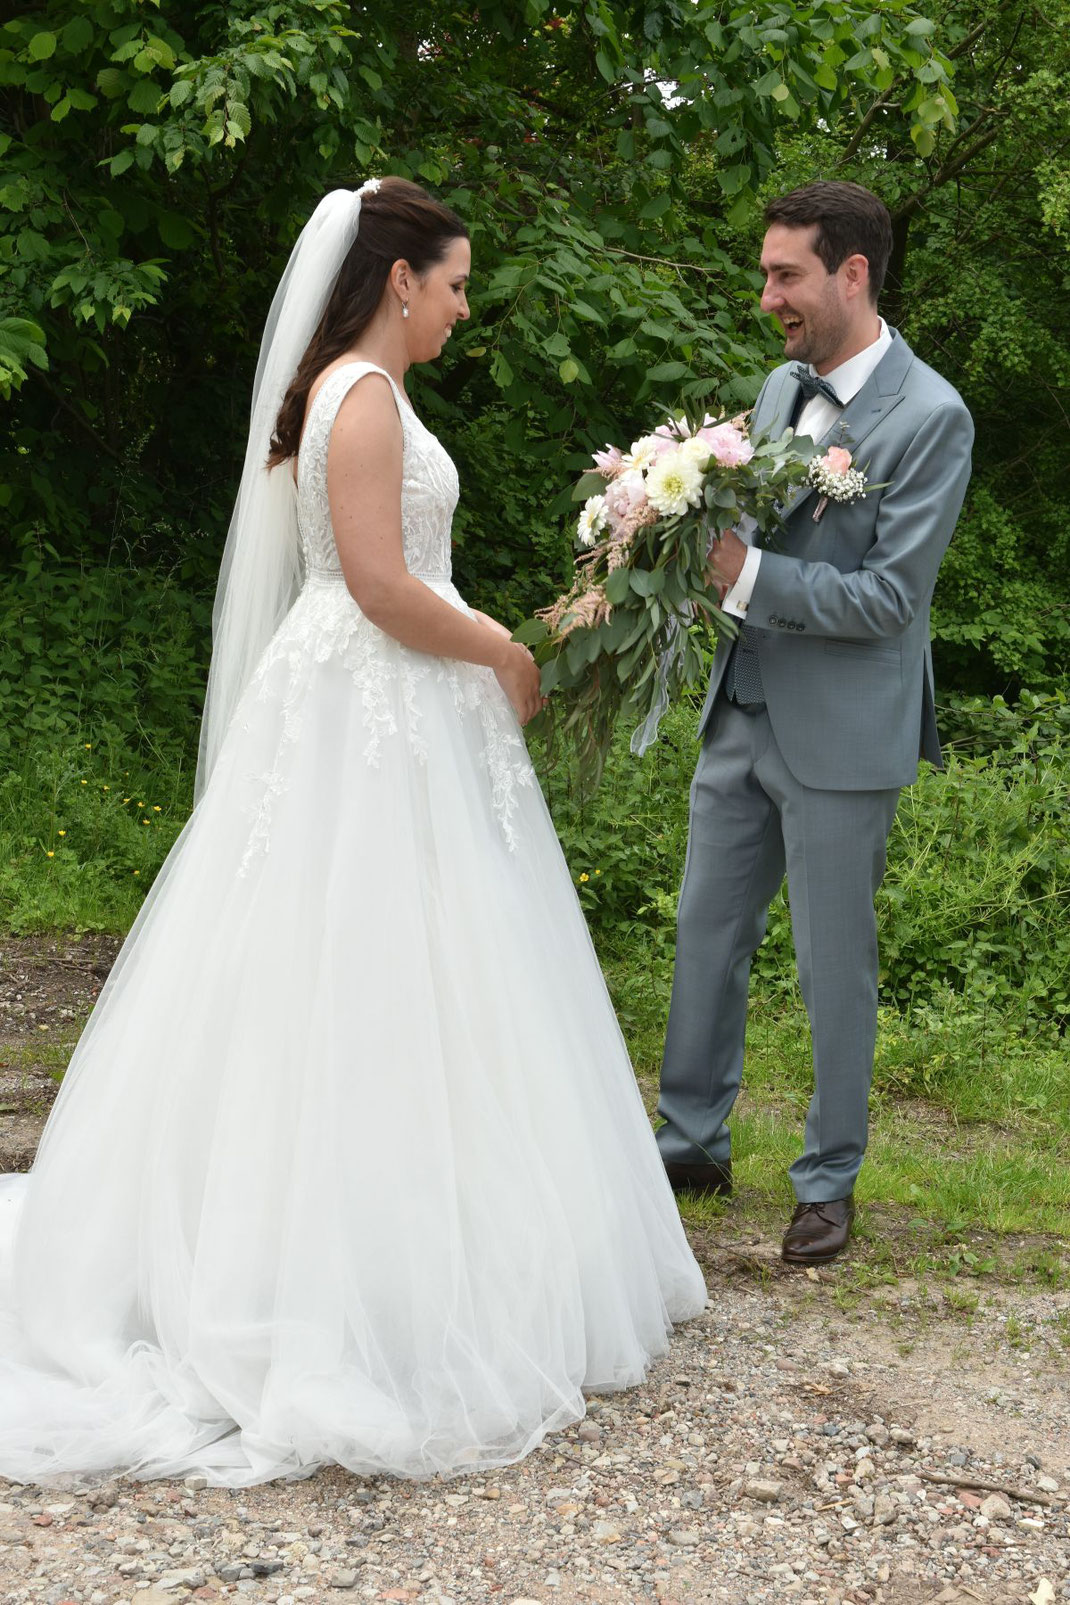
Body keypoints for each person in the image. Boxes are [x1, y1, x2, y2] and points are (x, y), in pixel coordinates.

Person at [0, 178, 705, 1487]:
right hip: (373, 702)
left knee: (370, 968)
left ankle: (387, 1243)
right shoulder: (364, 400)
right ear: (397, 279)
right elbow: (382, 587)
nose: (461, 306)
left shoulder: (342, 390)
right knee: (369, 967)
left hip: (364, 700)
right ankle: (358, 1279)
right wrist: (502, 643)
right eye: (453, 283)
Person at [656, 180, 973, 1265]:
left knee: (829, 964)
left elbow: (889, 599)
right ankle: (689, 1141)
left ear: (851, 274)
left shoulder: (931, 417)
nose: (766, 297)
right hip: (740, 710)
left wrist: (746, 576)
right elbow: (737, 518)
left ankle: (827, 1180)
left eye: (784, 275)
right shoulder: (777, 386)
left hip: (842, 734)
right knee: (705, 937)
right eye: (762, 273)